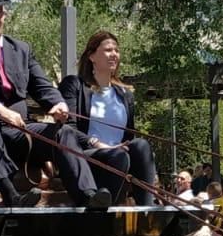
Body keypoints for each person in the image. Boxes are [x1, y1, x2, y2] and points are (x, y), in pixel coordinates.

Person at [0, 0, 112, 208]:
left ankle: (88, 196)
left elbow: (42, 86)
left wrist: (58, 103)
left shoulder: (21, 49)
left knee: (63, 133)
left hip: (17, 128)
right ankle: (10, 194)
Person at [57, 30, 159, 205]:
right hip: (88, 154)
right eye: (108, 50)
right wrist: (97, 143)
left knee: (141, 145)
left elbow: (129, 136)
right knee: (119, 156)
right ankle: (101, 209)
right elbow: (68, 130)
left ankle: (146, 210)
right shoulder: (74, 85)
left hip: (120, 154)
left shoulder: (125, 94)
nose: (114, 55)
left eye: (116, 50)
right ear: (91, 56)